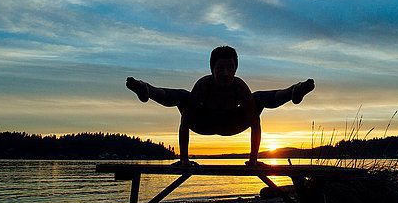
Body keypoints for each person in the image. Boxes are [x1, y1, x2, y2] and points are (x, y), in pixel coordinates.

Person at [126, 46, 314, 166]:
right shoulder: (203, 85)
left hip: (233, 124)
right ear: (212, 70)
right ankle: (147, 90)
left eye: (229, 68)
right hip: (203, 124)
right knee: (183, 96)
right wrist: (184, 159)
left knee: (258, 99)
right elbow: (185, 123)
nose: (225, 73)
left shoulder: (239, 87)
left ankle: (293, 91)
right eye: (220, 69)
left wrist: (253, 160)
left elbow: (254, 123)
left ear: (235, 69)